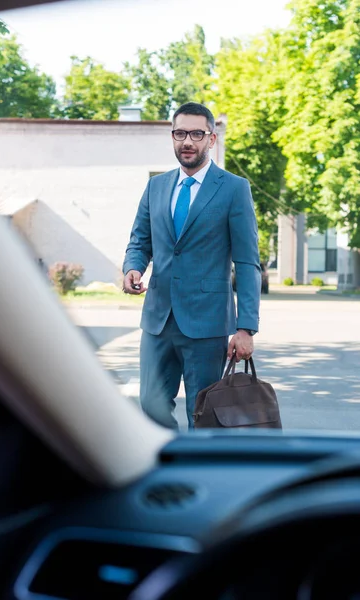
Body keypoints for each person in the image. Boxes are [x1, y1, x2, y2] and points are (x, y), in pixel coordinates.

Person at [123, 102, 261, 430]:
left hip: (207, 324)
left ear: (211, 139)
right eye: (180, 133)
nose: (188, 141)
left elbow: (247, 262)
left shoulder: (233, 188)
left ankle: (205, 473)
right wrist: (133, 267)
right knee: (151, 405)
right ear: (172, 137)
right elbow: (140, 241)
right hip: (157, 320)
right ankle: (172, 462)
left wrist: (246, 328)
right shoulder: (156, 186)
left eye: (196, 134)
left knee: (204, 414)